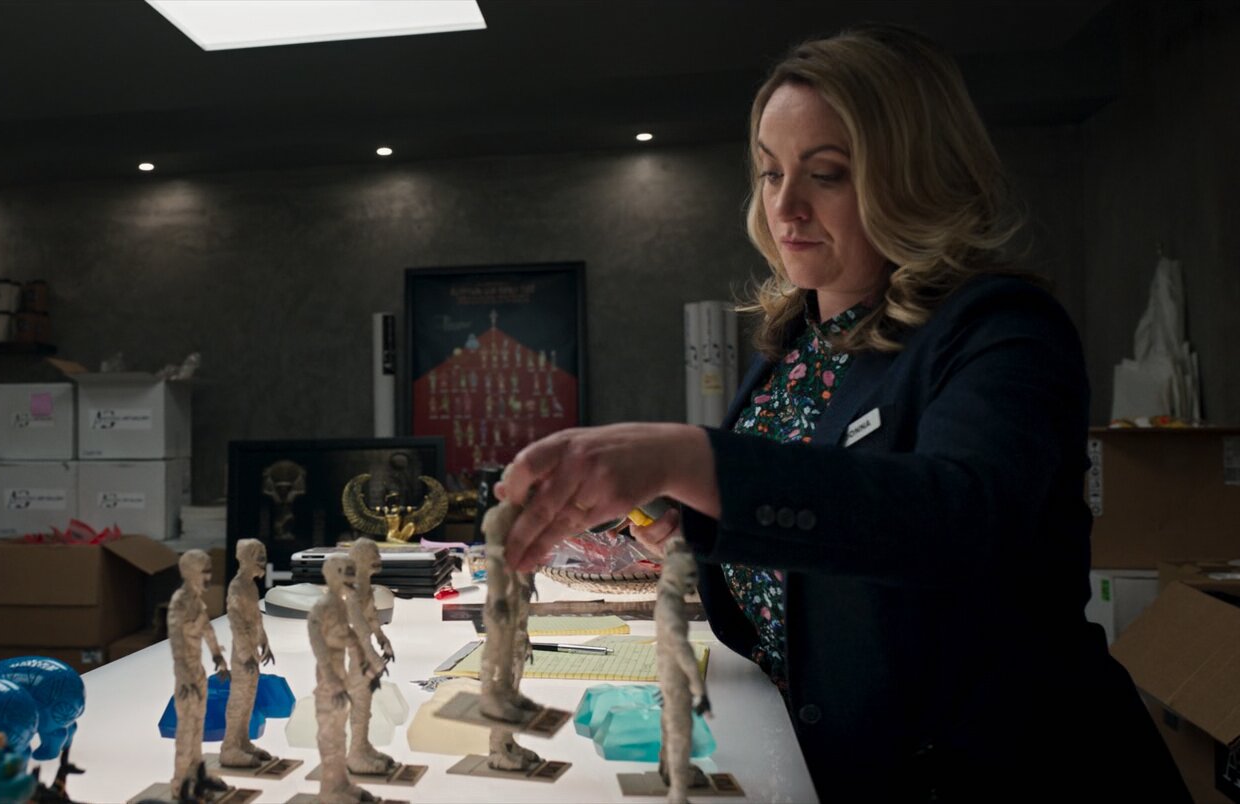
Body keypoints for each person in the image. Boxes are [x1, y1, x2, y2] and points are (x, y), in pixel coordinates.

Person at [493, 25, 1187, 802]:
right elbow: (815, 537)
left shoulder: (1002, 330)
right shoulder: (800, 343)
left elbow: (957, 520)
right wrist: (695, 526)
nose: (785, 205)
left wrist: (693, 459)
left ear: (915, 178)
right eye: (770, 172)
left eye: (825, 174)